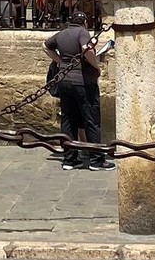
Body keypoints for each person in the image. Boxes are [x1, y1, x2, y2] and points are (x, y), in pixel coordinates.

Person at [44, 10, 109, 170]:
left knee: (68, 119)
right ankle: (96, 160)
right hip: (83, 83)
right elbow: (87, 49)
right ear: (85, 22)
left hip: (64, 81)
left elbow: (45, 46)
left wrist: (60, 61)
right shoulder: (82, 32)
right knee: (91, 119)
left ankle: (70, 159)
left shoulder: (61, 34)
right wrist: (96, 66)